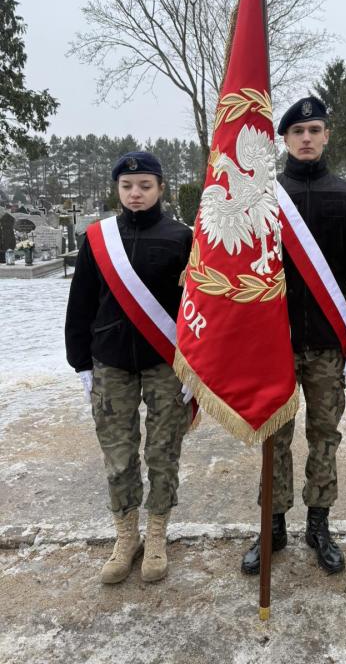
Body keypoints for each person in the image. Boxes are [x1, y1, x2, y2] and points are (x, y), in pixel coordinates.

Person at [241, 96, 346, 575]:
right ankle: (272, 524)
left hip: (326, 344)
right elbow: (241, 272)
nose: (306, 138)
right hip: (272, 344)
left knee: (324, 436)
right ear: (283, 139)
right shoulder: (261, 196)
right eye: (297, 132)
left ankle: (319, 524)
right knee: (272, 437)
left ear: (326, 137)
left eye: (315, 130)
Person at [65, 151, 193, 584]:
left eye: (144, 185)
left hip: (166, 363)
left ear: (160, 188)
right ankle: (126, 536)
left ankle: (156, 533)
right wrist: (82, 364)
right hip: (111, 362)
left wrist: (197, 366)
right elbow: (80, 303)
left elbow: (198, 308)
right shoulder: (98, 239)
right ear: (117, 189)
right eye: (127, 186)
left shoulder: (182, 237)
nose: (135, 194)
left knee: (162, 454)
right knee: (118, 457)